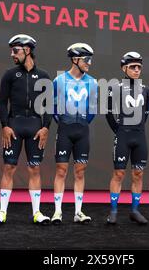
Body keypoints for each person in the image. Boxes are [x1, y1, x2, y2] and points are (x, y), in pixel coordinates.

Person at [0, 34, 52, 225]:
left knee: (34, 169)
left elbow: (48, 106)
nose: (12, 54)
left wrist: (45, 127)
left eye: (15, 50)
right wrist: (5, 125)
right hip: (14, 126)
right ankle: (2, 212)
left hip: (35, 126)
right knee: (9, 167)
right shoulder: (10, 75)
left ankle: (37, 213)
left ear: (28, 50)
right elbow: (2, 104)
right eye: (11, 50)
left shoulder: (44, 76)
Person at [51, 43, 98, 224]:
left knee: (80, 171)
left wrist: (82, 122)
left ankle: (78, 212)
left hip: (82, 131)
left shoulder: (93, 82)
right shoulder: (59, 81)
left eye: (90, 59)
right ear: (75, 59)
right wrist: (64, 121)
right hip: (65, 129)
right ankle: (57, 212)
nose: (89, 63)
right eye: (87, 59)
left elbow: (93, 110)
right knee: (61, 171)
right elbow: (53, 108)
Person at [106, 52, 149, 225]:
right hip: (123, 135)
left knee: (138, 174)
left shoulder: (146, 90)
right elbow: (109, 113)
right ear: (124, 68)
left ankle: (134, 210)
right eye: (133, 67)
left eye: (139, 67)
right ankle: (114, 211)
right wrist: (119, 130)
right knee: (119, 173)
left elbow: (145, 114)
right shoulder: (115, 87)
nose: (137, 70)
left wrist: (137, 128)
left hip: (139, 136)